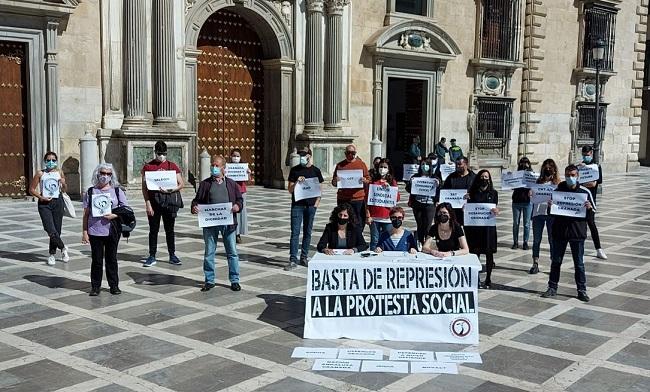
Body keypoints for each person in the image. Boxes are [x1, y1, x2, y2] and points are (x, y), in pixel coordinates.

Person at [541, 164, 595, 302]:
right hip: (560, 232)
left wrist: (588, 208)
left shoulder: (584, 192)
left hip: (577, 233)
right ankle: (552, 287)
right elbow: (551, 213)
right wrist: (550, 206)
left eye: (573, 175)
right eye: (568, 175)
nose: (570, 178)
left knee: (579, 264)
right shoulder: (558, 190)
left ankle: (581, 290)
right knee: (556, 261)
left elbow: (591, 215)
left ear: (577, 176)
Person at [191, 155, 243, 292]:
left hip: (228, 224)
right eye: (212, 165)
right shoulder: (205, 184)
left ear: (223, 168)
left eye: (216, 165)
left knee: (232, 252)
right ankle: (209, 280)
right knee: (209, 252)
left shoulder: (231, 184)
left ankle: (234, 280)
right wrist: (194, 207)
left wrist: (238, 206)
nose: (214, 168)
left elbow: (239, 200)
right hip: (210, 224)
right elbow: (196, 200)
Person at [82, 163, 127, 296]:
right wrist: (84, 232)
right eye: (102, 173)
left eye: (108, 174)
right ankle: (95, 287)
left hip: (112, 230)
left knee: (111, 259)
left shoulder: (117, 191)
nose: (105, 176)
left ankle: (114, 285)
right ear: (97, 174)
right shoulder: (90, 192)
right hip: (94, 230)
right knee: (96, 260)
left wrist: (115, 215)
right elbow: (86, 214)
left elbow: (125, 210)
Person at [141, 141, 184, 267]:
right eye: (159, 154)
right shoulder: (148, 167)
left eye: (164, 154)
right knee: (153, 230)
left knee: (169, 230)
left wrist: (172, 189)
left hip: (169, 202)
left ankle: (172, 254)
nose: (162, 156)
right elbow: (144, 187)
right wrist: (147, 203)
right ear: (155, 152)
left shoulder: (172, 166)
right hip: (154, 202)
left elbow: (181, 183)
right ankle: (152, 255)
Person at [285, 147, 324, 270]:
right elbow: (290, 190)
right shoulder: (295, 170)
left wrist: (316, 203)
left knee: (308, 232)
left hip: (311, 206)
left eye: (304, 155)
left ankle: (304, 256)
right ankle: (292, 259)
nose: (302, 157)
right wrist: (297, 182)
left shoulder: (316, 171)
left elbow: (320, 189)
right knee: (295, 232)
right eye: (300, 155)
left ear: (309, 156)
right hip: (297, 206)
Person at [29, 151, 69, 266]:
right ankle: (63, 247)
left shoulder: (59, 172)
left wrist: (63, 183)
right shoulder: (40, 173)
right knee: (50, 229)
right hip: (44, 204)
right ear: (45, 161)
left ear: (56, 161)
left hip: (58, 202)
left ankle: (52, 254)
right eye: (48, 160)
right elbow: (31, 189)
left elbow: (64, 189)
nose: (51, 162)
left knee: (57, 230)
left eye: (53, 160)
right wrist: (41, 197)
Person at [465, 170, 499, 288]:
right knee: (476, 253)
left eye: (486, 177)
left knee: (489, 253)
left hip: (488, 228)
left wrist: (496, 211)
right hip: (475, 228)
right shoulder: (472, 193)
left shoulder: (493, 193)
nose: (484, 179)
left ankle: (488, 278)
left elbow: (495, 207)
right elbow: (468, 208)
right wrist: (464, 202)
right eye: (482, 176)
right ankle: (477, 278)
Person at [529, 158, 561, 274]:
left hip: (551, 215)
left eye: (550, 168)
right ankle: (535, 263)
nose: (548, 170)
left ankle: (553, 263)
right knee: (537, 239)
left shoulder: (557, 184)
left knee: (552, 239)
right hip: (538, 214)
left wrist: (554, 202)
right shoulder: (538, 182)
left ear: (554, 170)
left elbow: (560, 200)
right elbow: (533, 198)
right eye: (546, 168)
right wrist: (531, 194)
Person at [331, 144, 370, 229]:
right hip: (343, 198)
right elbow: (333, 183)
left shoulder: (361, 164)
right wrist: (335, 181)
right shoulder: (340, 165)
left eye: (353, 153)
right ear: (345, 153)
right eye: (348, 153)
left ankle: (357, 237)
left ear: (355, 153)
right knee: (342, 219)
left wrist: (364, 180)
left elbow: (368, 179)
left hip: (358, 198)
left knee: (358, 220)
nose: (350, 155)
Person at [366, 158, 399, 250]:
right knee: (375, 240)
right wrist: (368, 214)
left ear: (388, 169)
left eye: (385, 167)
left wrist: (390, 189)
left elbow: (397, 198)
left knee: (387, 239)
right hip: (374, 217)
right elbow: (367, 200)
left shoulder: (392, 182)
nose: (382, 169)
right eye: (381, 167)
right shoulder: (373, 182)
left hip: (387, 217)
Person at [580, 145, 607, 260]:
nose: (585, 156)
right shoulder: (580, 167)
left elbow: (593, 184)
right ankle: (579, 247)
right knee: (580, 224)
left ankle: (599, 249)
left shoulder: (596, 167)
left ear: (591, 153)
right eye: (584, 155)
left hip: (591, 200)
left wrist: (581, 184)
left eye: (587, 154)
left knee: (591, 223)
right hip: (580, 199)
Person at [406, 158, 440, 247]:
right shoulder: (415, 176)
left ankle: (427, 243)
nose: (425, 166)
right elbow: (409, 189)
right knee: (420, 224)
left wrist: (438, 184)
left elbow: (439, 190)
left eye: (427, 164)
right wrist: (410, 183)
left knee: (428, 224)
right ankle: (419, 242)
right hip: (417, 203)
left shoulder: (434, 177)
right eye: (423, 164)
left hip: (430, 204)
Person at [442, 156, 476, 226]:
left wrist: (471, 195)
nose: (457, 166)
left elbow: (479, 192)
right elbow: (444, 190)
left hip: (468, 210)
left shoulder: (474, 178)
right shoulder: (451, 177)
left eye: (460, 164)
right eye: (456, 164)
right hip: (454, 210)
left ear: (466, 165)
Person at [229, 148, 252, 244]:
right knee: (232, 211)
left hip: (241, 191)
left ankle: (239, 233)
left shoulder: (244, 167)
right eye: (234, 156)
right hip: (231, 191)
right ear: (231, 156)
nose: (235, 158)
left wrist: (248, 174)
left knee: (241, 212)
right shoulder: (228, 167)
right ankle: (233, 233)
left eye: (237, 156)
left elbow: (249, 181)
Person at [511, 156, 533, 250]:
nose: (524, 164)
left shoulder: (531, 175)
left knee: (527, 224)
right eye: (522, 163)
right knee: (516, 223)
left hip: (527, 202)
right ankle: (515, 242)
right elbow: (511, 185)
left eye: (526, 162)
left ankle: (525, 242)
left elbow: (535, 186)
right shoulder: (516, 174)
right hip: (516, 201)